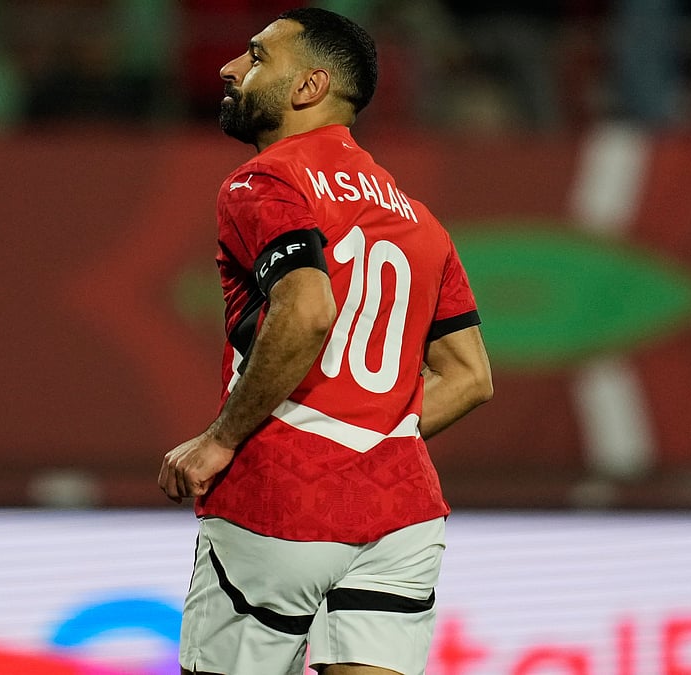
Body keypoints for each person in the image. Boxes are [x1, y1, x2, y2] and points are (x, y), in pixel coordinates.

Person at [158, 7, 492, 675]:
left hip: (279, 503)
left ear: (308, 88)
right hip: (403, 515)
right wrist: (375, 434)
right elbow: (471, 375)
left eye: (255, 58)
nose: (229, 69)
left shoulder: (266, 182)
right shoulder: (418, 219)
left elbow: (308, 309)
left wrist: (222, 437)